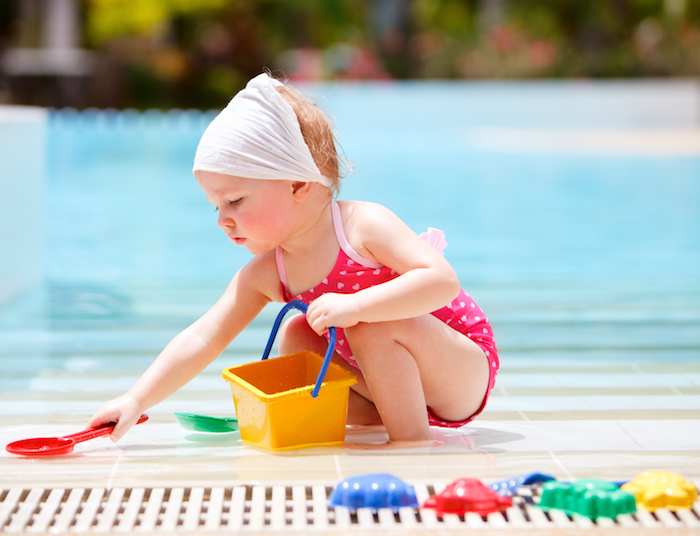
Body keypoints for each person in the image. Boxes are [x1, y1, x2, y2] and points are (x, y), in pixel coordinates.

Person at [89, 72, 499, 448]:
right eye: (215, 206)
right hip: (386, 391)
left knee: (369, 322)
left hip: (458, 369)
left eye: (234, 200)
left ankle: (411, 446)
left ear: (299, 184)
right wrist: (136, 398)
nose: (223, 220)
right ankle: (383, 422)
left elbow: (442, 280)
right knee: (297, 334)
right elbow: (204, 336)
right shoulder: (270, 271)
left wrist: (356, 305)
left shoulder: (362, 226)